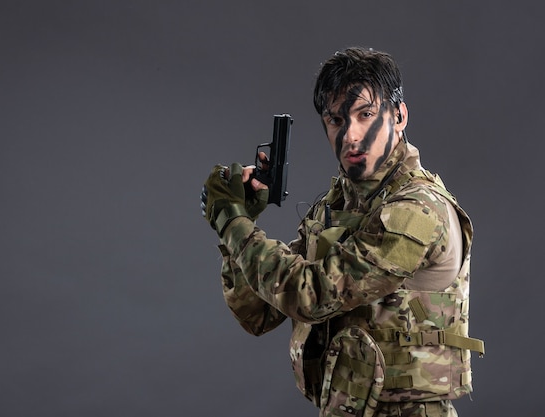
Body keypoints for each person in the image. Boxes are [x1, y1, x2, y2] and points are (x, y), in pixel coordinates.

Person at [200, 47, 484, 417]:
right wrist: (241, 226)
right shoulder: (337, 205)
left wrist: (232, 222)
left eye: (365, 115)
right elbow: (257, 315)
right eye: (336, 120)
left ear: (398, 116)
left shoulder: (418, 210)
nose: (350, 135)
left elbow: (310, 296)